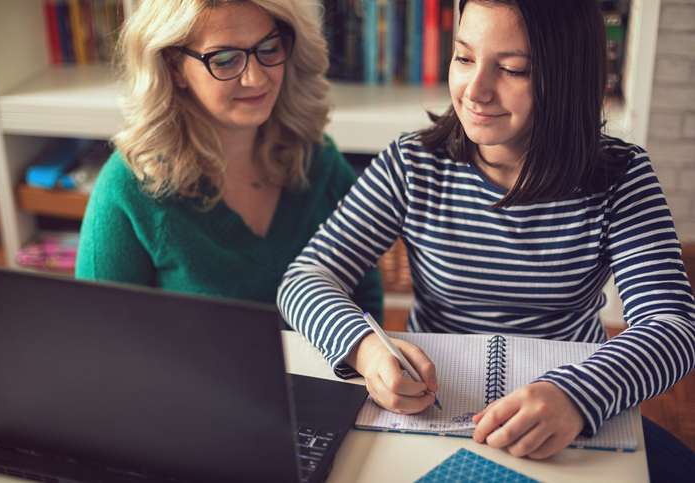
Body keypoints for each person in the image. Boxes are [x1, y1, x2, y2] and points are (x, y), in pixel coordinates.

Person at [277, 0, 695, 474]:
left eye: (512, 69)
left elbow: (672, 327)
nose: (475, 90)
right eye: (464, 57)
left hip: (571, 411)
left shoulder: (621, 176)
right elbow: (304, 279)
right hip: (428, 409)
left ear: (566, 77)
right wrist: (365, 347)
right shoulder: (412, 164)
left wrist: (578, 394)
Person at [75, 0, 382, 320]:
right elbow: (101, 343)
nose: (255, 78)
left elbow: (365, 294)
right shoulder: (127, 189)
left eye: (269, 48)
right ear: (174, 66)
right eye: (224, 59)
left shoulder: (316, 158)